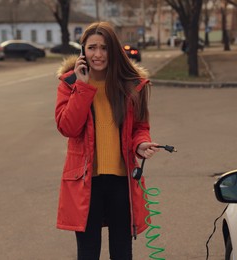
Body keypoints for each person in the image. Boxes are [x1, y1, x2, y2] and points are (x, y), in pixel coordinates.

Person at [54, 21, 160, 260]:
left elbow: (140, 127)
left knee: (122, 252)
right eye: (92, 47)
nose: (98, 54)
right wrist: (82, 86)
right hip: (85, 182)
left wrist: (141, 144)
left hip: (121, 182)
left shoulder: (132, 85)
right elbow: (68, 127)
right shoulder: (69, 84)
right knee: (88, 252)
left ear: (114, 50)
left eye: (104, 47)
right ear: (83, 51)